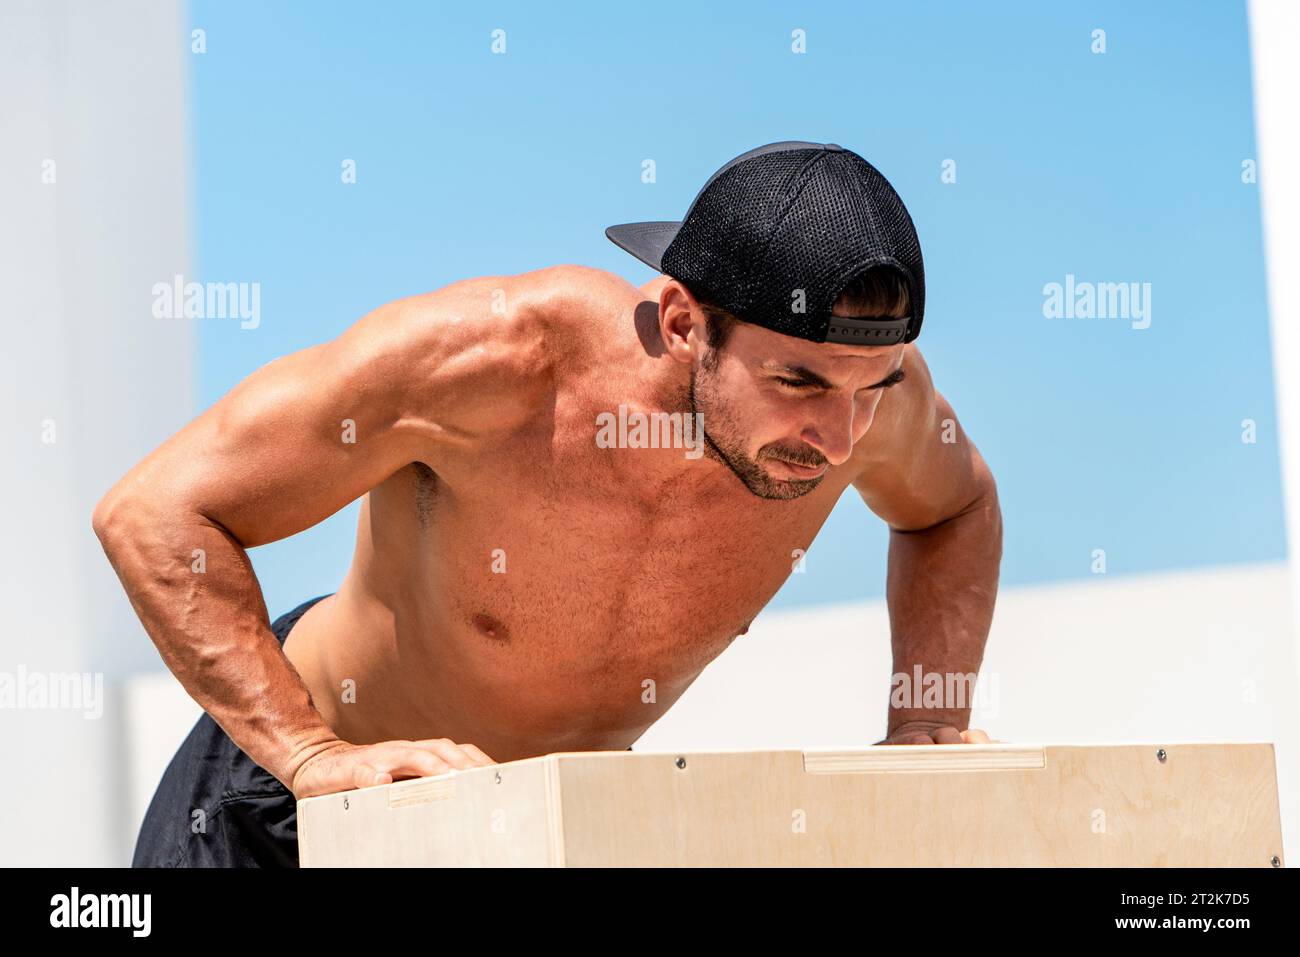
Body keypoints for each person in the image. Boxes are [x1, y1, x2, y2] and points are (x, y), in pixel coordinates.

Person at [95, 141, 1001, 867]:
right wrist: (311, 756)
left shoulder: (875, 407)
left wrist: (928, 718)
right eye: (796, 381)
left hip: (536, 840)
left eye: (869, 389)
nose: (840, 439)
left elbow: (954, 509)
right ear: (685, 322)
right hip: (294, 806)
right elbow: (154, 512)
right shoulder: (497, 362)